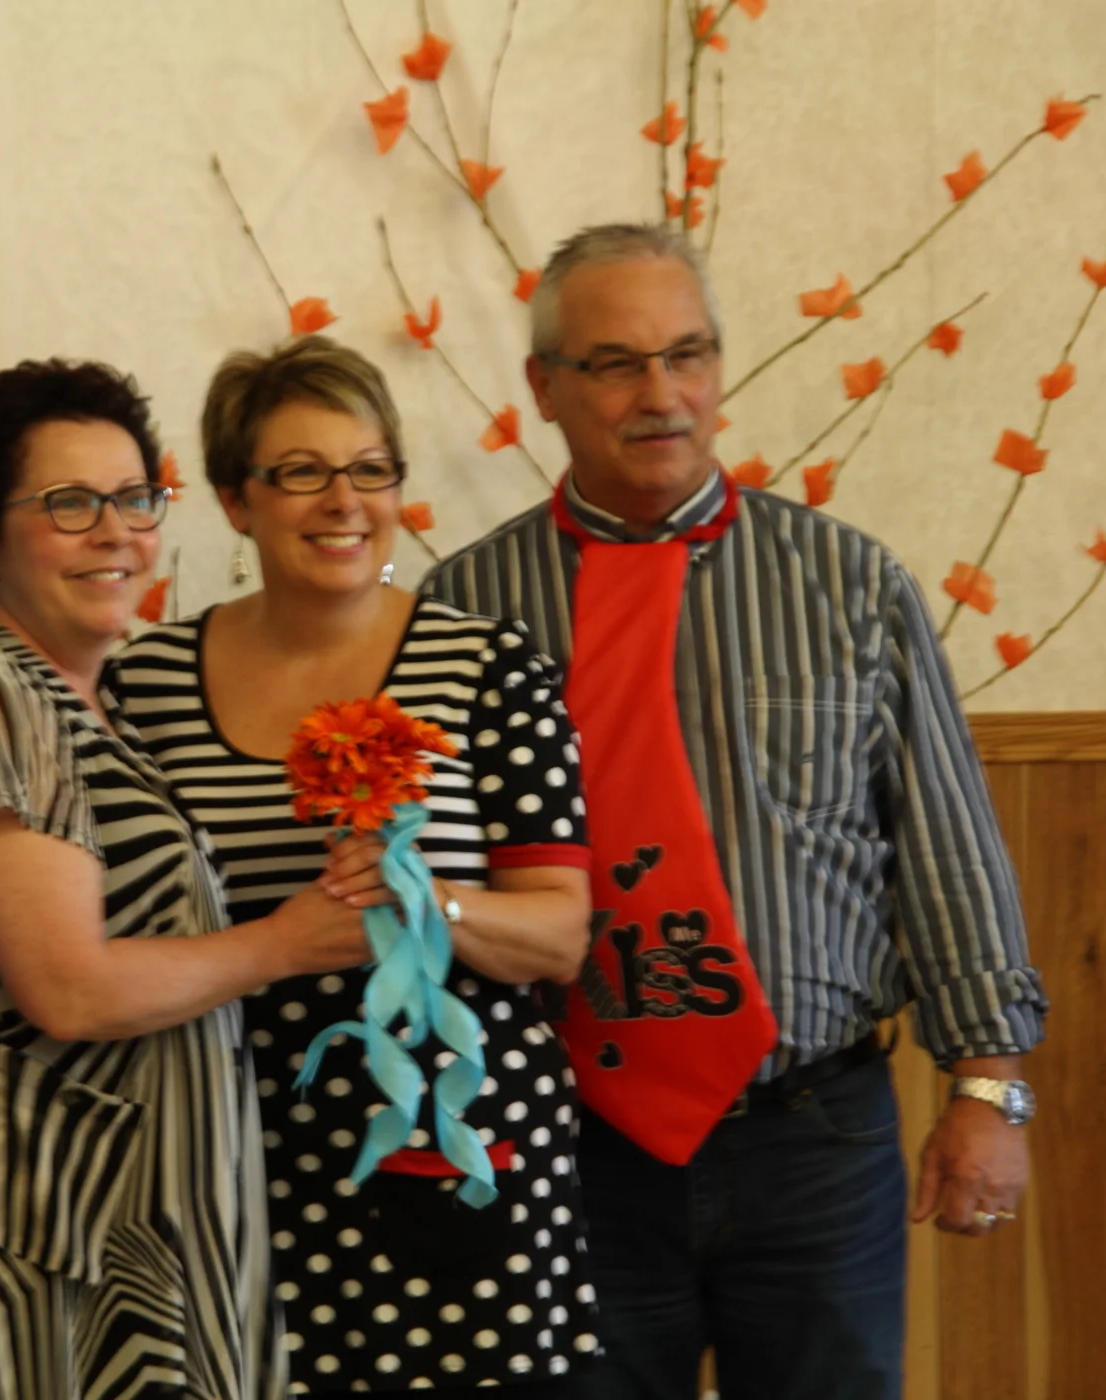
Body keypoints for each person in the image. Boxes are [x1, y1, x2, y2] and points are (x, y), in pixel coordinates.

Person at [422, 222, 1050, 1400]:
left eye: (688, 354)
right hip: (569, 1141)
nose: (662, 394)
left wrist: (987, 1088)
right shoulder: (463, 610)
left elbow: (948, 851)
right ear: (544, 387)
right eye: (617, 363)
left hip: (814, 1137)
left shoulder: (851, 582)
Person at [0, 358, 376, 1400]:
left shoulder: (95, 704)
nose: (117, 533)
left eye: (134, 498)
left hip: (121, 1263)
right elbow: (69, 989)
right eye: (69, 503)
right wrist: (285, 941)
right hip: (24, 1283)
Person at [107, 335, 604, 1396]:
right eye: (301, 472)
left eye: (370, 469)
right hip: (228, 1153)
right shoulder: (145, 682)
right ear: (236, 501)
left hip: (456, 1146)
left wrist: (430, 899)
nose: (344, 501)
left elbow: (559, 934)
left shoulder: (488, 666)